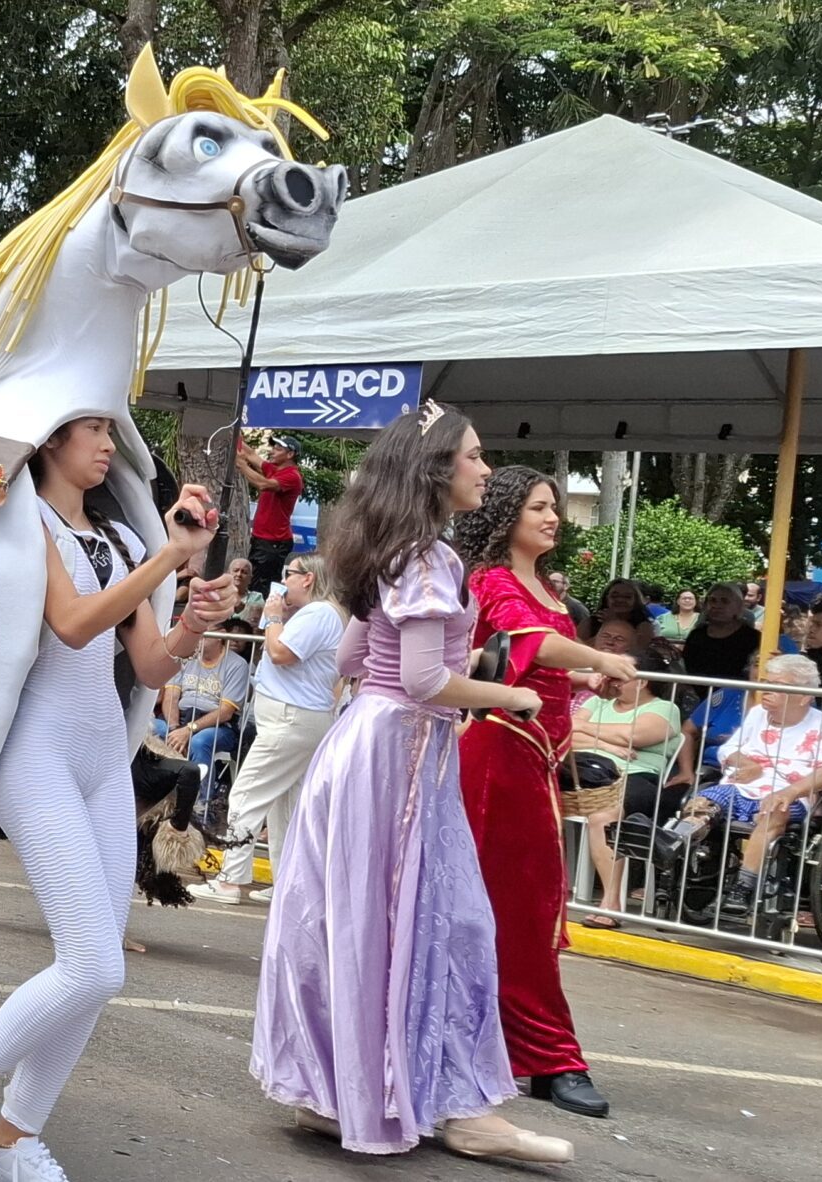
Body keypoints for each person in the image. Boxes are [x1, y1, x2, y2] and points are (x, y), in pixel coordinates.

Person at [0, 415, 234, 1182]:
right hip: (35, 750)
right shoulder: (26, 520)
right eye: (92, 428)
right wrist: (169, 557)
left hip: (104, 757)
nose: (109, 444)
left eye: (111, 431)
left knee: (92, 969)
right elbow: (74, 624)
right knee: (93, 966)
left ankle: (11, 1141)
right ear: (52, 438)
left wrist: (192, 621)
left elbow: (150, 666)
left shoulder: (117, 539)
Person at [251, 402, 573, 1163]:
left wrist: (450, 676)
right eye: (474, 455)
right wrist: (511, 695)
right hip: (399, 751)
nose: (485, 469)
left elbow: (354, 661)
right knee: (439, 923)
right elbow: (425, 680)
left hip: (368, 745)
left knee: (360, 922)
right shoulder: (430, 558)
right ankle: (454, 1105)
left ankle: (342, 1093)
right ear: (435, 469)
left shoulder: (389, 550)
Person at [449, 466, 637, 1120]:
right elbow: (520, 644)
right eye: (537, 507)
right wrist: (597, 658)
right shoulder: (490, 579)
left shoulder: (543, 586)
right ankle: (552, 1057)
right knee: (521, 909)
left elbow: (536, 666)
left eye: (554, 506)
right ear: (507, 514)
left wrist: (585, 679)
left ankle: (516, 1049)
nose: (552, 517)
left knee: (522, 909)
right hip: (498, 754)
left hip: (532, 759)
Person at [203, 554, 346, 905]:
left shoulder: (318, 613)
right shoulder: (322, 613)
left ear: (308, 579)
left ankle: (230, 880)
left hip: (290, 718)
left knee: (246, 795)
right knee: (283, 808)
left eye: (289, 574)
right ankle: (288, 884)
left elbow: (281, 653)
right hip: (296, 718)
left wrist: (274, 618)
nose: (284, 581)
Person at [679, 654, 822, 919]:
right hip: (741, 787)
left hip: (789, 794)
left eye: (776, 686)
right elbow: (728, 750)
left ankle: (743, 887)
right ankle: (673, 843)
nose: (765, 690)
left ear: (803, 696)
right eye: (766, 683)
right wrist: (749, 763)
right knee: (702, 803)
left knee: (772, 812)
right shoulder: (758, 714)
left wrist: (790, 791)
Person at [574, 645, 683, 926]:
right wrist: (607, 744)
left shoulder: (664, 708)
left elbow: (633, 736)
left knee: (604, 814)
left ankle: (610, 903)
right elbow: (565, 732)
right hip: (584, 770)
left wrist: (585, 729)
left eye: (617, 672)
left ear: (642, 681)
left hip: (635, 776)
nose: (608, 678)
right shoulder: (597, 701)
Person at [154, 617, 250, 806]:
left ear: (220, 635)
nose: (196, 636)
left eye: (202, 632)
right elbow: (171, 695)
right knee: (152, 728)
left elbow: (226, 712)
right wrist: (175, 728)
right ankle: (154, 796)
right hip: (180, 719)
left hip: (218, 725)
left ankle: (200, 804)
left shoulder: (237, 664)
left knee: (199, 742)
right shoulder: (186, 656)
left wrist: (189, 730)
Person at [237, 434, 304, 598]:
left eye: (278, 449)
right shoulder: (275, 470)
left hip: (273, 542)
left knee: (261, 588)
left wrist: (242, 465)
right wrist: (236, 435)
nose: (272, 451)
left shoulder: (292, 476)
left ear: (290, 454)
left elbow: (263, 484)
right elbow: (251, 454)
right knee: (255, 584)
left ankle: (263, 614)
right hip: (264, 540)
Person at [679, 583, 762, 691]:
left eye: (724, 601)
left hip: (736, 695)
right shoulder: (697, 635)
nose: (717, 606)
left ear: (738, 606)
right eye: (712, 600)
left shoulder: (752, 638)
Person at [591, 577, 657, 651]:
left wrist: (615, 623)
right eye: (614, 596)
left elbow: (638, 651)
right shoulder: (591, 622)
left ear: (635, 600)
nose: (620, 600)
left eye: (627, 597)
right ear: (606, 598)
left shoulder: (644, 626)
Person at [549, 570, 593, 641]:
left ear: (566, 586)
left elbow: (587, 629)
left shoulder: (576, 606)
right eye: (548, 581)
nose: (550, 584)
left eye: (555, 581)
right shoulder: (545, 603)